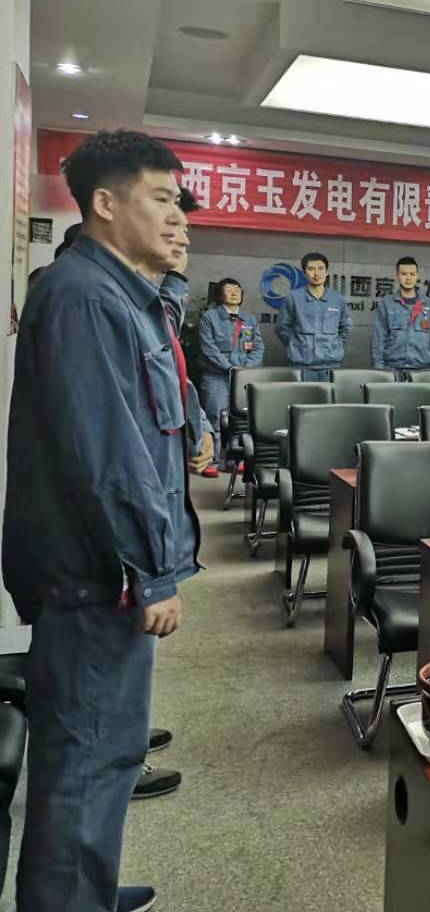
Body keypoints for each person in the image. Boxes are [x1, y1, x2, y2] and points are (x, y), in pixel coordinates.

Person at [5, 129, 203, 912]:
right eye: (162, 199)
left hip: (100, 573)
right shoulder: (84, 297)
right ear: (105, 204)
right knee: (86, 759)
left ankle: (84, 888)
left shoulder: (120, 294)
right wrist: (152, 570)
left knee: (107, 752)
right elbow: (108, 456)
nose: (178, 217)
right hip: (94, 577)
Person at [197, 277, 264, 434]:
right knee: (215, 419)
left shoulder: (249, 319)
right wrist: (230, 368)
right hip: (216, 377)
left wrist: (245, 369)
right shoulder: (209, 317)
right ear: (220, 295)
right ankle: (215, 450)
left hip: (244, 377)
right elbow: (209, 348)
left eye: (237, 290)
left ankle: (239, 450)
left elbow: (258, 347)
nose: (234, 293)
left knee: (245, 420)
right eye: (228, 290)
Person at [276, 251, 351, 382]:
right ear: (304, 273)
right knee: (301, 396)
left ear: (327, 272)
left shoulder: (338, 299)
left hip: (331, 366)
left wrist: (334, 345)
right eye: (311, 269)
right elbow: (282, 328)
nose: (317, 273)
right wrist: (296, 345)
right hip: (301, 366)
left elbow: (346, 328)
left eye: (321, 268)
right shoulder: (293, 298)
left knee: (330, 396)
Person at [371, 256, 430, 377]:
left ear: (417, 276)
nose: (408, 278)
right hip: (392, 370)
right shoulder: (386, 304)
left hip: (423, 371)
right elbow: (378, 340)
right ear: (397, 276)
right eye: (404, 274)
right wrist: (379, 370)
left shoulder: (429, 305)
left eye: (412, 274)